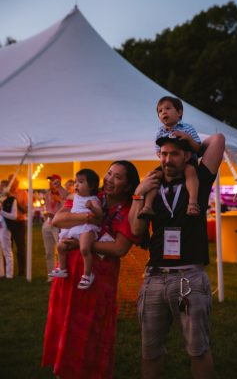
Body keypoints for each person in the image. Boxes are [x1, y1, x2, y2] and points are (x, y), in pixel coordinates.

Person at [128, 133, 225, 379]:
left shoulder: (199, 180)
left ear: (187, 157)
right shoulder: (151, 186)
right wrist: (138, 194)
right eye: (163, 154)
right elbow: (136, 231)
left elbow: (218, 140)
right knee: (149, 351)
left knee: (198, 349)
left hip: (188, 276)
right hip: (154, 277)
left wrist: (187, 137)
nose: (167, 159)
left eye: (174, 154)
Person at [42, 160, 141, 379]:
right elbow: (58, 219)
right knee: (66, 323)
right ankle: (63, 370)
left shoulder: (128, 209)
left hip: (98, 281)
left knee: (89, 331)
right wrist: (89, 217)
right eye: (108, 173)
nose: (109, 179)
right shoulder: (89, 194)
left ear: (127, 185)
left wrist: (81, 243)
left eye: (117, 177)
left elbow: (119, 247)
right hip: (69, 274)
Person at [138, 96, 202, 219]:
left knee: (190, 171)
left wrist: (188, 138)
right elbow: (158, 151)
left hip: (188, 161)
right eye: (160, 111)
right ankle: (148, 206)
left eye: (167, 108)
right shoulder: (160, 132)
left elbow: (198, 149)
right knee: (154, 176)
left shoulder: (187, 128)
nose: (164, 112)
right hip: (170, 164)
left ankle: (193, 203)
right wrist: (163, 155)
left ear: (179, 112)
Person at [49, 169, 104, 290]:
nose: (76, 185)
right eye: (75, 182)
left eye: (80, 182)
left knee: (84, 249)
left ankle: (87, 275)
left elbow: (100, 214)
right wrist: (59, 187)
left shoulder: (93, 200)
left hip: (86, 228)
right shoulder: (76, 196)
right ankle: (62, 269)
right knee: (60, 246)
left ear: (91, 186)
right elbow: (65, 196)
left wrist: (92, 208)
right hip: (74, 227)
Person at [42, 174, 68, 280]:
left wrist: (58, 200)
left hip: (58, 224)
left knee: (60, 249)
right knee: (48, 252)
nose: (50, 182)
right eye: (49, 181)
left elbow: (66, 208)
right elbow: (47, 207)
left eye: (52, 181)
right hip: (48, 223)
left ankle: (60, 272)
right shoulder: (47, 194)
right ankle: (51, 276)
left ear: (58, 182)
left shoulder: (63, 193)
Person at [7, 174, 28, 276]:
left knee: (21, 247)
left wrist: (14, 200)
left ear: (17, 182)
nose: (11, 183)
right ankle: (8, 271)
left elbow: (25, 210)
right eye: (9, 181)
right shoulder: (5, 193)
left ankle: (21, 271)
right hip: (7, 224)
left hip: (19, 223)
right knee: (7, 247)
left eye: (13, 181)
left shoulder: (23, 193)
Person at [0, 180, 17, 279]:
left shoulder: (12, 200)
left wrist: (1, 212)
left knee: (7, 250)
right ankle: (1, 273)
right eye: (0, 186)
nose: (1, 188)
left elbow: (14, 216)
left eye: (3, 186)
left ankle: (9, 274)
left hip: (5, 227)